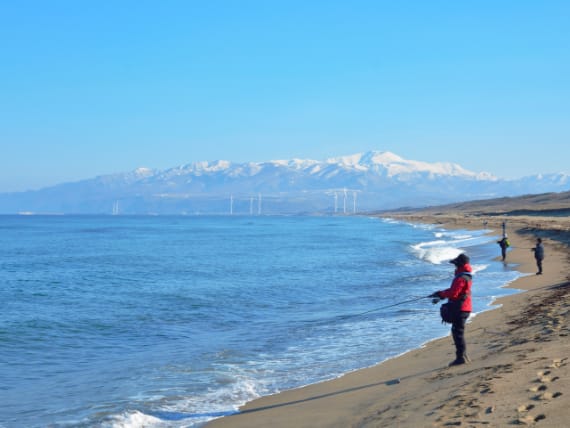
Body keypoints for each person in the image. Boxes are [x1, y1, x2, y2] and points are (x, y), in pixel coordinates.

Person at [430, 253, 473, 366]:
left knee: (457, 333)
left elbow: (454, 293)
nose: (454, 266)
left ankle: (461, 358)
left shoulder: (461, 277)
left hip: (461, 309)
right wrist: (440, 294)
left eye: (456, 264)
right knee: (458, 332)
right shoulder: (465, 276)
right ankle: (463, 356)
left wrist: (441, 294)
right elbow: (455, 291)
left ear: (459, 265)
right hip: (465, 307)